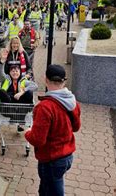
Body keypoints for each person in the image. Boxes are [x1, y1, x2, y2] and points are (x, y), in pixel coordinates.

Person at [25, 64, 81, 196]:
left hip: (51, 159)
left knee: (54, 190)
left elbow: (38, 140)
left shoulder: (45, 107)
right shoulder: (72, 101)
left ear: (45, 79)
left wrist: (28, 133)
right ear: (64, 81)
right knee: (47, 187)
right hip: (67, 155)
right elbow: (76, 127)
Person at [0, 62, 37, 131]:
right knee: (1, 91)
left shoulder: (23, 80)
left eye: (17, 71)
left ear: (20, 72)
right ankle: (17, 117)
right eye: (13, 71)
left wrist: (22, 92)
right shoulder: (6, 79)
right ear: (9, 72)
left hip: (21, 104)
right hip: (9, 104)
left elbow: (35, 86)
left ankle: (17, 117)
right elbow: (0, 72)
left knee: (29, 93)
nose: (15, 73)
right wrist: (1, 62)